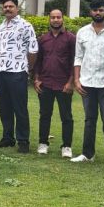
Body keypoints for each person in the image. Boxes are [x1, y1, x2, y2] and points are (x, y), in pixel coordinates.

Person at [70, 0, 104, 168]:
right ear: (90, 12)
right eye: (94, 10)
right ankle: (88, 154)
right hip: (87, 82)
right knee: (89, 119)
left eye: (101, 10)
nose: (97, 13)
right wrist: (77, 80)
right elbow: (78, 57)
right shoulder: (82, 32)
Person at [0, 0, 38, 153]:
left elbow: (33, 49)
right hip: (2, 71)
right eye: (5, 6)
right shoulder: (0, 27)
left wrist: (28, 68)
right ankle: (8, 138)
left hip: (18, 72)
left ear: (17, 8)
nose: (7, 9)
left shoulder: (25, 25)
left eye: (11, 6)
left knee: (20, 108)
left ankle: (23, 141)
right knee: (4, 107)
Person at [33, 9, 76, 156]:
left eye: (58, 17)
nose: (56, 20)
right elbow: (38, 61)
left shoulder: (71, 38)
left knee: (66, 116)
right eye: (53, 17)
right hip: (45, 83)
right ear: (49, 19)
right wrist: (37, 79)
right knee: (45, 115)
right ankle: (43, 143)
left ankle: (67, 146)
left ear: (63, 19)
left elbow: (74, 61)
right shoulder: (43, 39)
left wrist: (71, 82)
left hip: (64, 84)